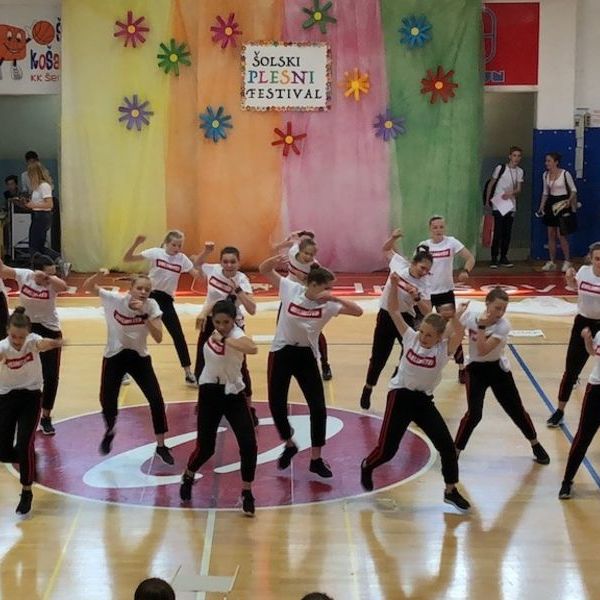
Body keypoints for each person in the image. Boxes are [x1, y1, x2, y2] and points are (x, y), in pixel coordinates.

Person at [361, 273, 472, 512]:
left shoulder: (443, 351)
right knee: (387, 451)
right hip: (400, 396)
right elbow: (393, 310)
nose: (423, 337)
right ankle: (367, 465)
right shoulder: (410, 337)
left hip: (423, 401)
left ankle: (450, 490)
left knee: (447, 446)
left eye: (429, 335)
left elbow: (458, 333)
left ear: (439, 338)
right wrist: (392, 285)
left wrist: (457, 315)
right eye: (422, 332)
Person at [259, 255, 363, 477]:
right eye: (326, 287)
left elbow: (358, 311)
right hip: (282, 351)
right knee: (276, 403)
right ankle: (289, 443)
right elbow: (264, 269)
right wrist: (276, 257)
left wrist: (334, 297)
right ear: (312, 285)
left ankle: (316, 459)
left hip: (306, 355)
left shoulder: (329, 305)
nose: (329, 291)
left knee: (318, 407)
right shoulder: (291, 290)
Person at [82, 271, 173, 464]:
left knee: (156, 399)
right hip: (114, 355)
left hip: (139, 357)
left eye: (147, 289)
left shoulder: (151, 306)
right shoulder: (115, 300)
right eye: (139, 288)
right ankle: (110, 429)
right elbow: (88, 287)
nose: (143, 292)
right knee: (107, 399)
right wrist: (99, 274)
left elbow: (158, 337)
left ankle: (161, 445)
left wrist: (144, 315)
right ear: (130, 289)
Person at [454, 287, 550, 465]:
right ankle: (456, 450)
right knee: (474, 414)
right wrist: (456, 315)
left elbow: (483, 350)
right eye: (497, 308)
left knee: (516, 410)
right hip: (475, 370)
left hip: (497, 369)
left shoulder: (503, 325)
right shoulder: (471, 316)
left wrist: (481, 327)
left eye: (504, 309)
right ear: (487, 304)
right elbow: (452, 331)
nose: (500, 313)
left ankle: (535, 443)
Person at [180, 300, 258, 516]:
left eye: (226, 322)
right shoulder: (210, 333)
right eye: (218, 322)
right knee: (206, 448)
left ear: (234, 321)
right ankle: (188, 474)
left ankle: (247, 492)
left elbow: (252, 348)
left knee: (248, 444)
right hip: (210, 393)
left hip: (233, 394)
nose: (222, 326)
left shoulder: (236, 335)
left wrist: (225, 338)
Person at [123, 231, 213, 387]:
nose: (177, 248)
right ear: (166, 243)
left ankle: (188, 373)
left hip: (166, 300)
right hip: (148, 296)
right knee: (132, 331)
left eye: (180, 245)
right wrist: (136, 243)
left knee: (178, 335)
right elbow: (128, 259)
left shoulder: (182, 259)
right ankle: (123, 370)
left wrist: (202, 257)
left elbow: (199, 277)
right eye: (174, 245)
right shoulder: (155, 253)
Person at [0, 307, 63, 515]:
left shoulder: (32, 341)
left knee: (25, 442)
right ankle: (27, 458)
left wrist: (54, 343)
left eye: (21, 337)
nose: (17, 341)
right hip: (6, 398)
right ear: (7, 331)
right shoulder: (2, 347)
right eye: (14, 336)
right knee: (4, 450)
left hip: (31, 397)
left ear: (27, 333)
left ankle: (26, 492)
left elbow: (42, 344)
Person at [359, 233, 433, 410]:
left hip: (404, 317)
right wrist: (393, 238)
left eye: (427, 270)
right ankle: (368, 387)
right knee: (379, 357)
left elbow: (428, 311)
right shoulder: (399, 264)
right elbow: (385, 249)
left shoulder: (424, 285)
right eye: (422, 268)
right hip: (386, 315)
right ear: (413, 263)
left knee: (408, 353)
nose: (424, 272)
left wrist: (417, 298)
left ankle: (398, 379)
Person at [0, 254, 67, 435]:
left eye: (53, 273)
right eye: (47, 273)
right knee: (20, 370)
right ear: (35, 271)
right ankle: (17, 411)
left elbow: (64, 286)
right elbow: (3, 270)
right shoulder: (25, 275)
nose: (51, 277)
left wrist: (49, 278)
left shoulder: (52, 283)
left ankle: (46, 416)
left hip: (49, 329)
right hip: (26, 330)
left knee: (51, 376)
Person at [194, 246, 257, 422]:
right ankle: (204, 402)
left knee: (240, 367)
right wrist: (206, 251)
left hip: (231, 325)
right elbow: (197, 263)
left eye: (233, 262)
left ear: (239, 263)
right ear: (220, 262)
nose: (229, 265)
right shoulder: (213, 270)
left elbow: (252, 309)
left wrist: (238, 290)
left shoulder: (242, 280)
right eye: (225, 261)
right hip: (211, 321)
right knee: (202, 363)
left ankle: (249, 408)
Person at [547, 242, 600, 427]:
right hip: (583, 323)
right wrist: (569, 278)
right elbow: (573, 287)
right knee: (570, 371)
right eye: (597, 259)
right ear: (591, 259)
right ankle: (560, 410)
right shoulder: (584, 272)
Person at [420, 216, 475, 383]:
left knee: (452, 330)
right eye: (435, 227)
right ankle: (424, 364)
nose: (438, 230)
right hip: (427, 294)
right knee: (426, 329)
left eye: (441, 227)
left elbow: (470, 258)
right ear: (430, 229)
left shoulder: (451, 242)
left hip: (445, 293)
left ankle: (461, 367)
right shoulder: (424, 246)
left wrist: (465, 271)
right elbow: (415, 267)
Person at [274, 230, 332, 380]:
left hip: (305, 298)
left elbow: (322, 285)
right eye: (306, 253)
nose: (308, 257)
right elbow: (290, 242)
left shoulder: (315, 267)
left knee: (314, 331)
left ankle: (324, 364)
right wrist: (285, 241)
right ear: (299, 250)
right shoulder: (292, 251)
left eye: (312, 255)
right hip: (289, 294)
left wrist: (306, 279)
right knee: (281, 326)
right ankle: (283, 359)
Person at [558, 327, 600, 499]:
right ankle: (567, 481)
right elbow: (593, 352)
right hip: (596, 390)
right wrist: (588, 341)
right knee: (583, 436)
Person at [22, 161, 69, 276]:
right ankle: (59, 262)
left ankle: (39, 269)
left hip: (42, 217)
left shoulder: (44, 186)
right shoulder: (37, 187)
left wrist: (33, 205)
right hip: (38, 216)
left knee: (34, 246)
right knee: (38, 246)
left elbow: (49, 204)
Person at [536, 152, 577, 272]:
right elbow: (545, 192)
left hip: (563, 203)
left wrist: (569, 200)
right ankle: (552, 261)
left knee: (562, 234)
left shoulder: (565, 174)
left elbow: (573, 190)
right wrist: (541, 207)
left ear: (556, 162)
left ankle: (567, 261)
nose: (546, 163)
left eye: (549, 161)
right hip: (551, 203)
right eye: (546, 161)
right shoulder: (545, 175)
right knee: (551, 233)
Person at [485, 146, 524, 268]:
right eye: (514, 155)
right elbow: (491, 184)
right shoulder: (501, 168)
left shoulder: (520, 171)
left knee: (507, 232)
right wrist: (487, 200)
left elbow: (519, 189)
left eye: (519, 156)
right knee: (498, 231)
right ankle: (494, 258)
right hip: (499, 202)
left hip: (510, 204)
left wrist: (511, 193)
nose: (516, 158)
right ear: (510, 156)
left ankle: (503, 257)